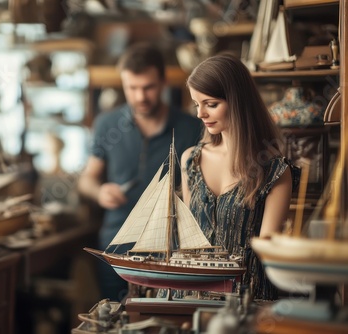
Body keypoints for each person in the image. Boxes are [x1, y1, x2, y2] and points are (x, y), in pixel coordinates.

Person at [78, 42, 202, 302]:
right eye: (132, 88)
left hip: (169, 249)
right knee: (115, 315)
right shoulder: (106, 124)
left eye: (148, 87)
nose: (140, 96)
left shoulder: (191, 128)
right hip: (115, 245)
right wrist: (100, 191)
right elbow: (87, 179)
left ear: (163, 82)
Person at [180, 54, 300, 300]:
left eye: (210, 104)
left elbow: (267, 250)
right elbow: (187, 235)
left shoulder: (275, 171)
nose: (200, 114)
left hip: (246, 294)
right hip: (188, 292)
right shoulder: (190, 160)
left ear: (237, 102)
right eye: (196, 104)